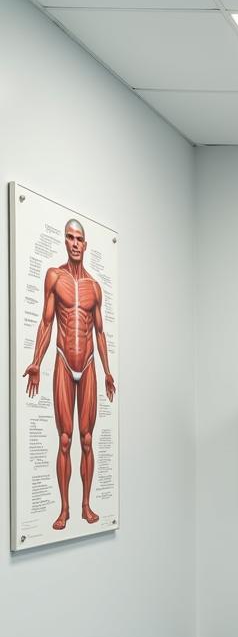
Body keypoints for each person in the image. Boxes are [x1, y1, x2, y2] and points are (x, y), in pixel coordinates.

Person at [23, 219, 116, 530]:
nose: (75, 243)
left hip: (88, 363)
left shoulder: (94, 287)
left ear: (85, 245)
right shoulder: (55, 277)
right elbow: (47, 323)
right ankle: (63, 510)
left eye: (79, 239)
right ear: (65, 242)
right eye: (70, 238)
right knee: (65, 440)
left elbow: (100, 333)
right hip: (64, 361)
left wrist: (107, 372)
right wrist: (36, 361)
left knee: (87, 440)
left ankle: (86, 506)